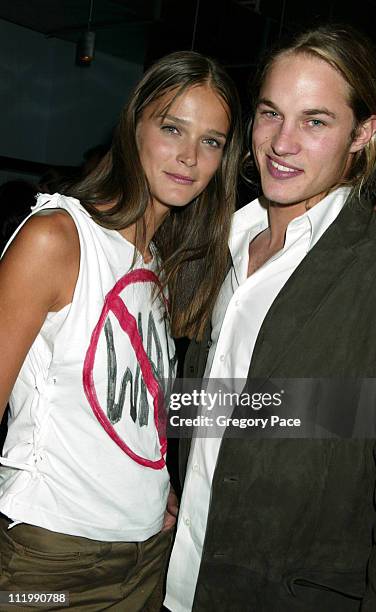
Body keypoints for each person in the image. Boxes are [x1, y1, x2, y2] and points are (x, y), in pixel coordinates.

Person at [165, 26, 376, 611]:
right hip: (173, 579)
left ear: (362, 133)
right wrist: (176, 475)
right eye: (272, 113)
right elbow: (238, 402)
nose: (282, 143)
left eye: (316, 121)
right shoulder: (213, 241)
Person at [0, 51, 241, 611]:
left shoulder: (157, 262)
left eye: (212, 141)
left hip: (145, 550)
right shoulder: (58, 236)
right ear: (134, 128)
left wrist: (157, 489)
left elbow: (132, 412)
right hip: (51, 556)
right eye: (172, 128)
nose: (189, 157)